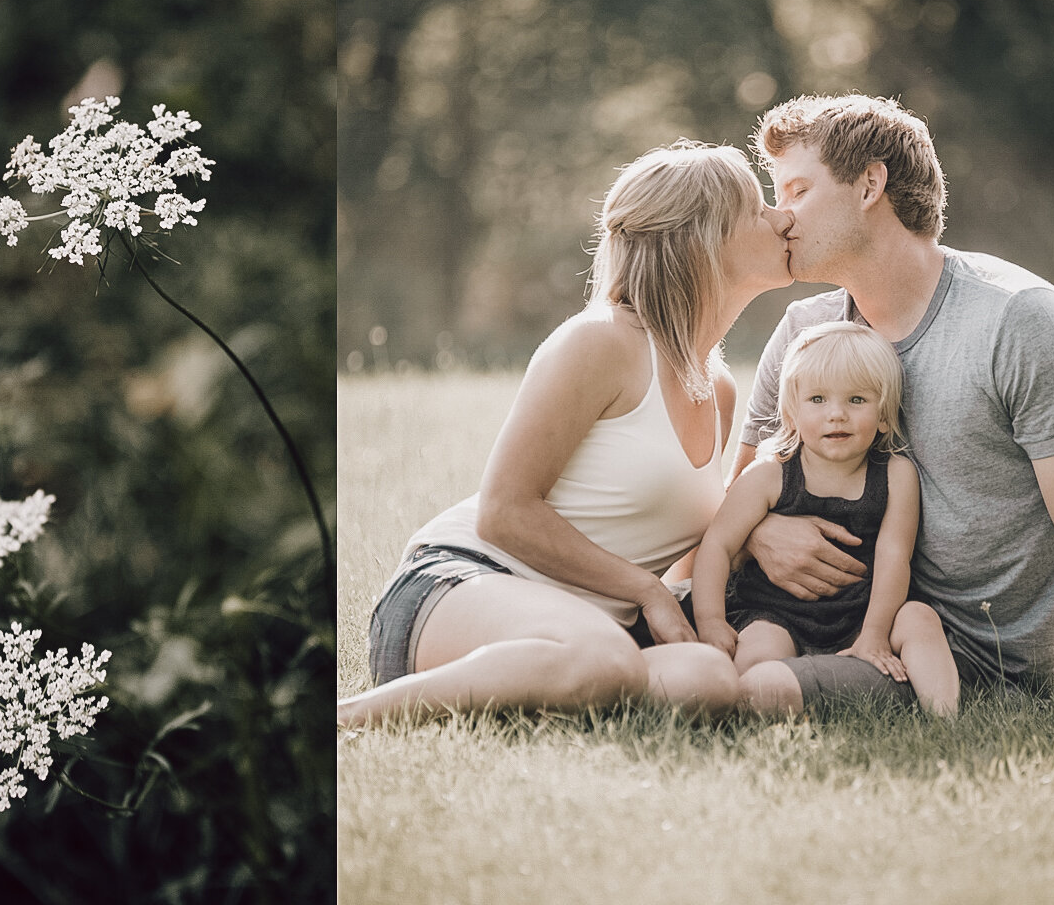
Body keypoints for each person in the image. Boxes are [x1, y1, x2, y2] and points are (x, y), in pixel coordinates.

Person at [727, 93, 1054, 716]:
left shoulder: (1022, 324)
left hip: (976, 662)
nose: (780, 218)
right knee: (661, 664)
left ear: (870, 184)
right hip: (817, 621)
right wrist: (760, 532)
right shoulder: (803, 332)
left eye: (797, 191)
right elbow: (739, 493)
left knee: (748, 694)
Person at [337, 141, 794, 727]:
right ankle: (348, 721)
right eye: (758, 208)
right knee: (603, 658)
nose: (782, 218)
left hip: (593, 626)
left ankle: (544, 695)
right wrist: (646, 592)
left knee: (706, 681)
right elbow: (503, 512)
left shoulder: (719, 387)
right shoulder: (602, 342)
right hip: (465, 586)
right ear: (703, 238)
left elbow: (677, 554)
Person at [689, 320, 958, 716]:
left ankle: (945, 718)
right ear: (792, 414)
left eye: (856, 401)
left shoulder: (897, 474)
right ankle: (739, 709)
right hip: (776, 612)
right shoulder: (770, 473)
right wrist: (710, 621)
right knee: (758, 651)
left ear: (884, 416)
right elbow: (718, 544)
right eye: (817, 399)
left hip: (862, 612)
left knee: (920, 618)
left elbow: (893, 557)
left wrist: (875, 635)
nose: (837, 415)